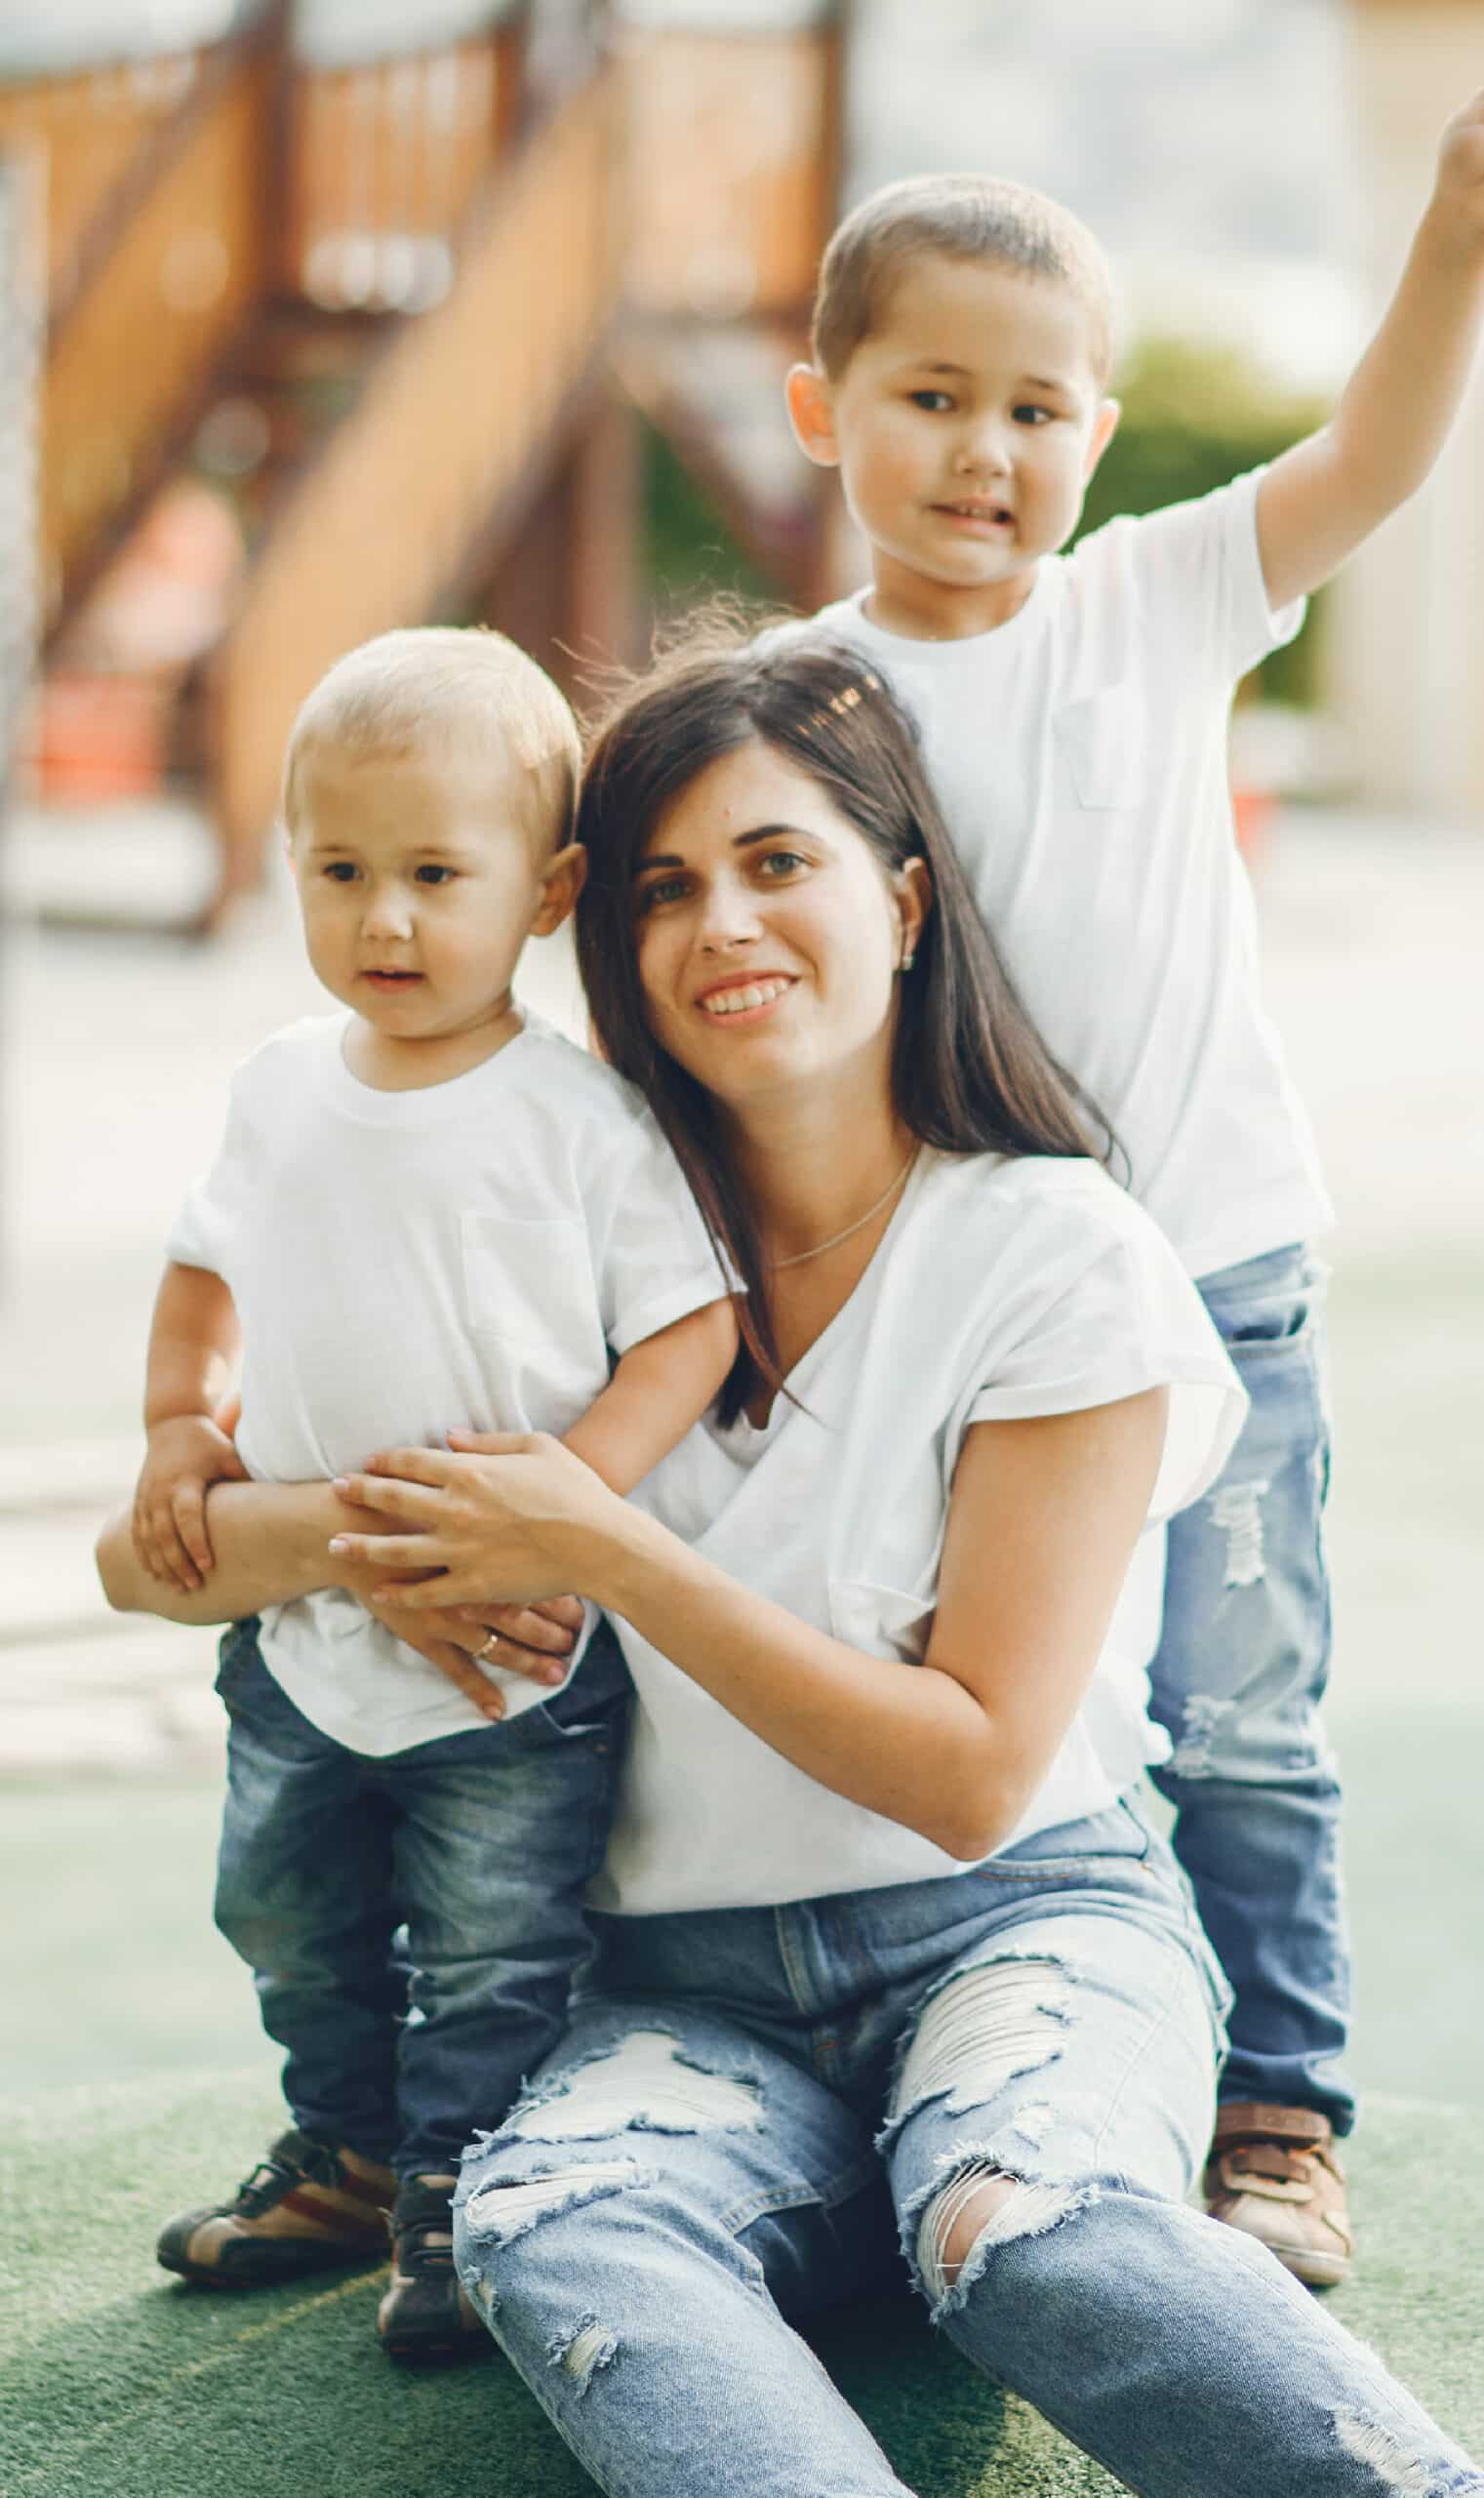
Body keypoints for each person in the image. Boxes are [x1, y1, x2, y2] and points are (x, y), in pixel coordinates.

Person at [293, 637, 1478, 2498]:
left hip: (1017, 1928)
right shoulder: (554, 1250)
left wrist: (600, 1544)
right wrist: (210, 1487)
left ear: (902, 898)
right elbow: (223, 1550)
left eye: (779, 861)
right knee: (558, 2231)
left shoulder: (1050, 1252)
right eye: (667, 886)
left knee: (1035, 2225)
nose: (722, 924)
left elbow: (970, 1769)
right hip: (675, 1994)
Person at [763, 91, 1484, 2284]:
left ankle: (1273, 2107)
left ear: (1096, 437)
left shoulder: (1158, 593)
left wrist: (1451, 218)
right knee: (1003, 1707)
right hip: (974, 1324)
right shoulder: (800, 699)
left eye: (1036, 409)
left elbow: (1369, 456)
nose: (986, 451)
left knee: (1244, 1709)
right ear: (822, 409)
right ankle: (995, 2050)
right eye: (930, 398)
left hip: (1218, 1276)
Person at [100, 626, 737, 2362]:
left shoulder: (579, 1119)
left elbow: (689, 1332)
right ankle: (357, 2148)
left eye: (435, 875)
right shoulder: (279, 1090)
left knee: (491, 1943)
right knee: (279, 1898)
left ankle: (468, 2191)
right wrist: (179, 1423)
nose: (384, 922)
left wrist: (565, 1505)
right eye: (341, 871)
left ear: (546, 893)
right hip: (302, 1629)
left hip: (512, 1651)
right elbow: (201, 1269)